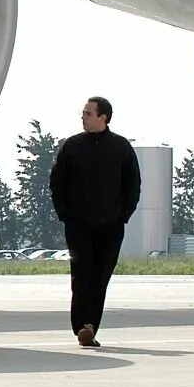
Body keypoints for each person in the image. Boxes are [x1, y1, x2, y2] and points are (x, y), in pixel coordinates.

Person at [49, 96, 141, 348]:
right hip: (78, 224)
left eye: (88, 113)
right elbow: (57, 182)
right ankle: (81, 325)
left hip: (111, 226)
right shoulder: (72, 146)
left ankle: (90, 326)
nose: (83, 117)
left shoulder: (121, 147)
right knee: (81, 275)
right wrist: (64, 212)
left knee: (101, 276)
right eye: (83, 113)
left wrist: (123, 215)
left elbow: (133, 185)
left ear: (104, 117)